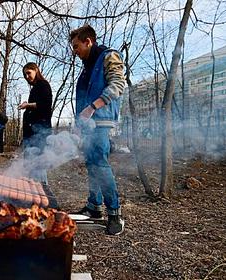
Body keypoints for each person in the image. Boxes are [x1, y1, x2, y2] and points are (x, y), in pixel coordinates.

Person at [70, 25, 125, 235]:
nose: (74, 51)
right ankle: (94, 207)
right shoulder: (87, 66)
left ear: (88, 41)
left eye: (76, 46)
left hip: (102, 121)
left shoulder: (108, 56)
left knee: (100, 163)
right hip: (88, 123)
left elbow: (118, 85)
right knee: (91, 163)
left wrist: (94, 107)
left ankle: (114, 213)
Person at [18, 62, 52, 184]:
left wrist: (28, 105)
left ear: (36, 70)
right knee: (30, 164)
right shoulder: (35, 88)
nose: (27, 77)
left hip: (40, 132)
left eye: (29, 73)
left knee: (38, 163)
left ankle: (42, 192)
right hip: (31, 133)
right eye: (25, 75)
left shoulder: (43, 85)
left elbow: (45, 105)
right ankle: (32, 193)